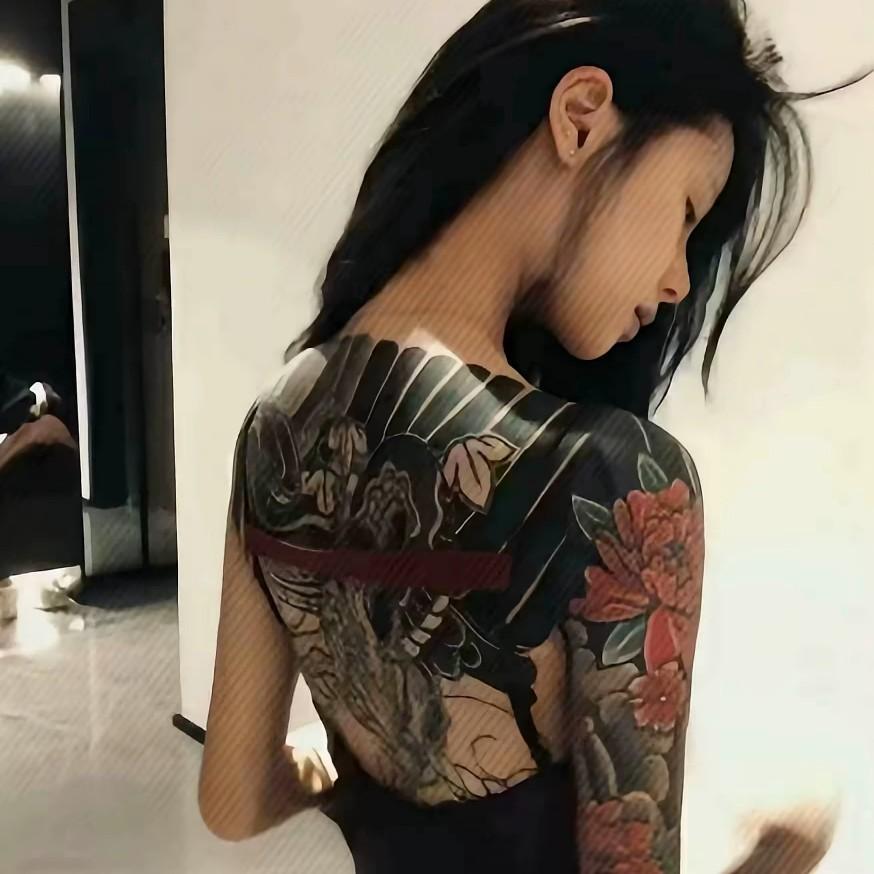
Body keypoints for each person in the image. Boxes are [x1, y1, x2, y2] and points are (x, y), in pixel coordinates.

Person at [199, 2, 858, 871]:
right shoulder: (613, 478)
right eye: (686, 214)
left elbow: (233, 801)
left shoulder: (275, 429)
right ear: (581, 118)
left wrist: (354, 754)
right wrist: (784, 855)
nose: (676, 280)